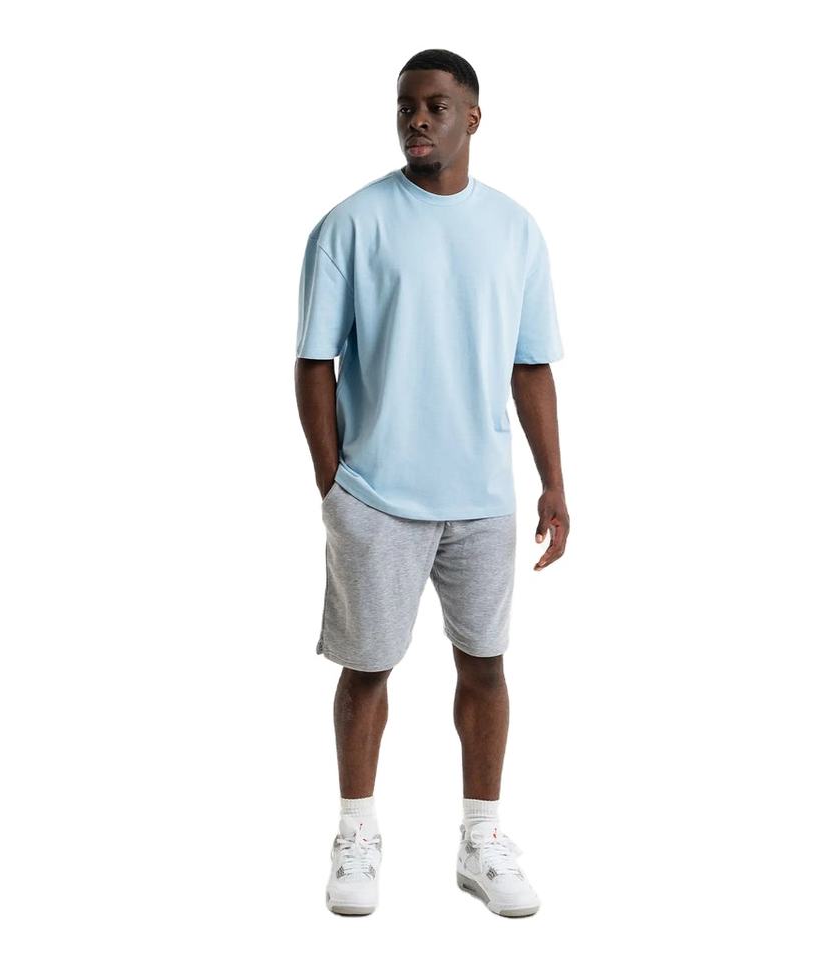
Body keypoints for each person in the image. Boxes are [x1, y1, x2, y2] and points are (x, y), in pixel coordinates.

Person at [295, 48, 569, 917]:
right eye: (407, 106)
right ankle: (356, 834)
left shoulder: (515, 230)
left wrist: (554, 483)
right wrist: (333, 483)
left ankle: (481, 839)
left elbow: (531, 365)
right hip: (376, 496)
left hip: (482, 498)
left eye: (437, 106)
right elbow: (314, 361)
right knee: (366, 670)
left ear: (472, 118)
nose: (418, 119)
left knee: (485, 666)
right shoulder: (350, 224)